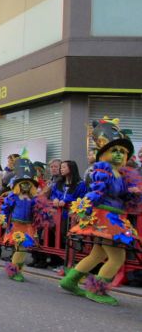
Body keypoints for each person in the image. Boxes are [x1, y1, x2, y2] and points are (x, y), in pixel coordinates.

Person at [60, 117, 141, 305]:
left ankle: (70, 280)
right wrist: (84, 209)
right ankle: (96, 289)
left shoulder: (120, 174)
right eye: (115, 150)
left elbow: (120, 196)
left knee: (97, 254)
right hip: (107, 218)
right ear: (104, 153)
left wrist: (132, 192)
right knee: (117, 256)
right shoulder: (104, 170)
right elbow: (96, 192)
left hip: (115, 216)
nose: (120, 154)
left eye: (123, 151)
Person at [0, 157, 55, 282]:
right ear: (18, 184)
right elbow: (5, 208)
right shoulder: (13, 196)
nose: (25, 186)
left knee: (24, 249)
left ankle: (17, 270)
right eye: (23, 183)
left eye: (28, 183)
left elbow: (40, 210)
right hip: (16, 225)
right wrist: (2, 220)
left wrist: (45, 214)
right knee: (21, 248)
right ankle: (13, 271)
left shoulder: (33, 198)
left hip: (28, 227)